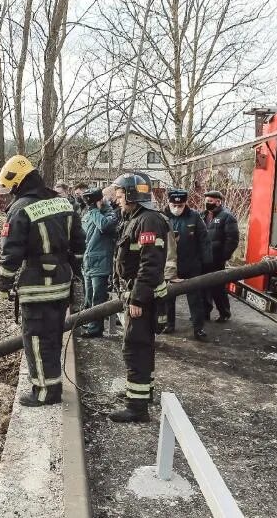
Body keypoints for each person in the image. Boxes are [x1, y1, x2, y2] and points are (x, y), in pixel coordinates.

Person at [0, 155, 86, 407]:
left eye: (11, 188)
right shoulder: (64, 204)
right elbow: (80, 244)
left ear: (18, 183)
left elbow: (10, 254)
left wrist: (4, 284)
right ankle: (54, 384)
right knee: (54, 336)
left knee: (36, 338)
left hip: (36, 287)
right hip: (62, 284)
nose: (10, 194)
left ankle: (45, 392)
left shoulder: (19, 210)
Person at [109, 172, 169, 423]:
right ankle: (142, 391)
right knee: (140, 348)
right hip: (136, 293)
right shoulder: (134, 218)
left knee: (136, 348)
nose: (118, 200)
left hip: (142, 299)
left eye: (120, 195)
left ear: (132, 195)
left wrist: (137, 299)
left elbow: (151, 265)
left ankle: (137, 407)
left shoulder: (148, 221)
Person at [163, 189, 212, 341]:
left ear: (185, 204)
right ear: (168, 203)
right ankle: (168, 324)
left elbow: (204, 240)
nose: (177, 208)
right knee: (168, 298)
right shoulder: (162, 217)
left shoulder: (194, 217)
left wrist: (207, 261)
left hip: (191, 264)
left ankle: (198, 328)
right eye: (174, 205)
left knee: (195, 298)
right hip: (170, 266)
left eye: (181, 205)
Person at [80, 187, 118, 337]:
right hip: (88, 261)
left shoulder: (110, 215)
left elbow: (105, 226)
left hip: (101, 262)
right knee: (89, 296)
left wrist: (95, 211)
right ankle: (91, 324)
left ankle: (96, 329)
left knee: (98, 297)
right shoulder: (88, 213)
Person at [202, 191, 240, 322]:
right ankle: (204, 313)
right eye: (206, 200)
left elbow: (232, 240)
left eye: (211, 201)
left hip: (217, 259)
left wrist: (223, 256)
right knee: (203, 287)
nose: (208, 203)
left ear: (218, 201)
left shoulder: (227, 217)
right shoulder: (203, 215)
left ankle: (224, 313)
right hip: (203, 259)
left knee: (218, 288)